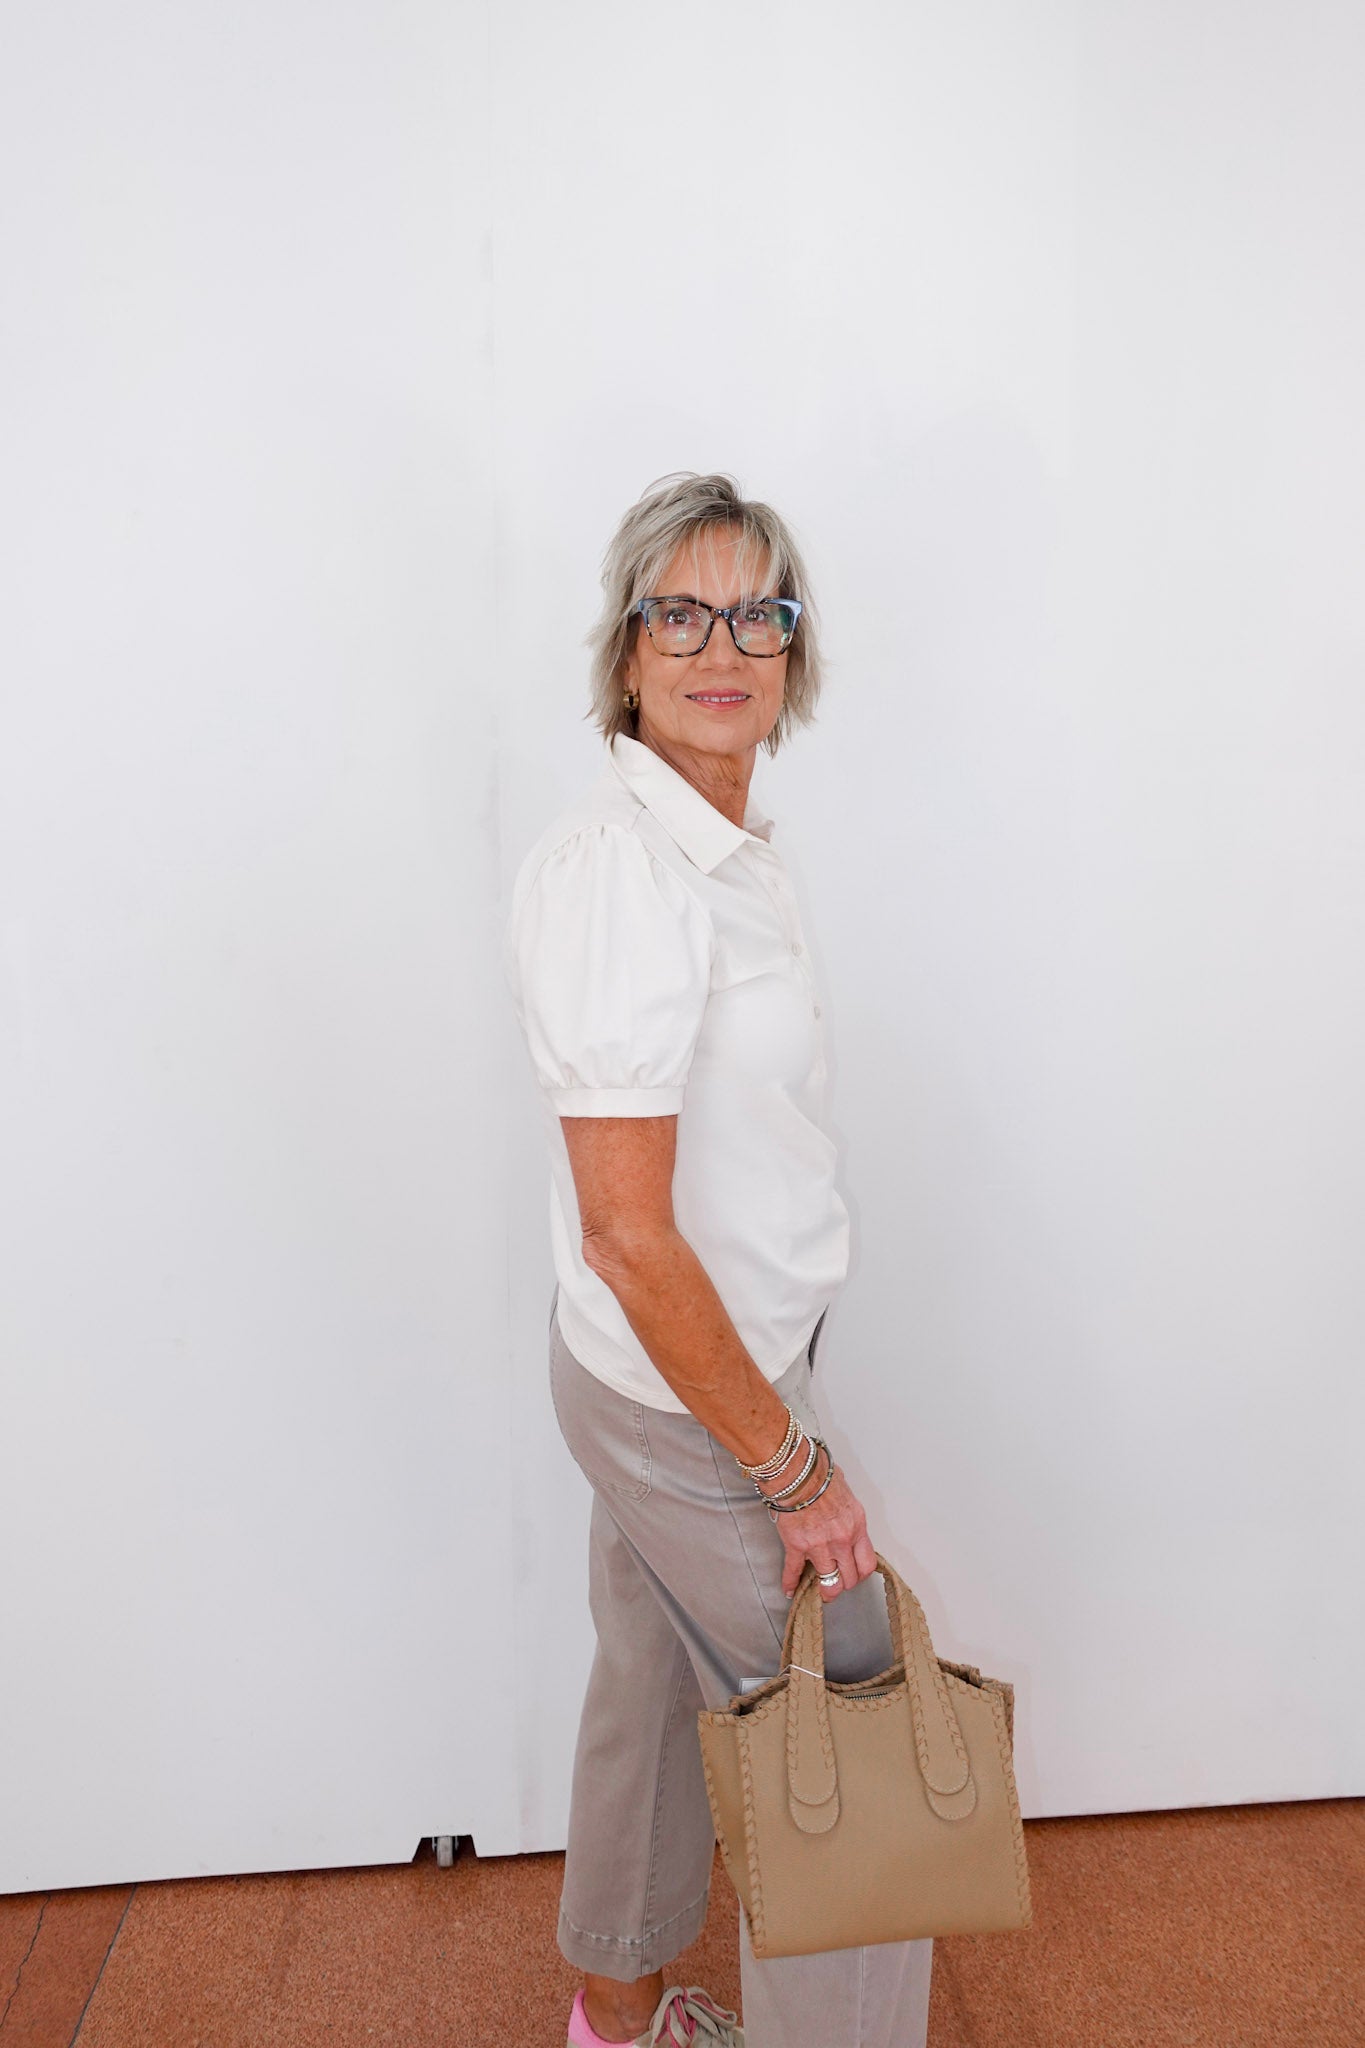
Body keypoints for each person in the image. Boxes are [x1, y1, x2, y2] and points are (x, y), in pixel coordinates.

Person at [503, 472, 933, 2048]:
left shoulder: (723, 848)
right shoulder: (627, 873)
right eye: (678, 612)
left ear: (792, 652)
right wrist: (792, 1468)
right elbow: (626, 1227)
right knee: (843, 1747)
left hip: (675, 1367)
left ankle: (614, 2016)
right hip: (692, 1394)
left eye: (756, 611)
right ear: (626, 653)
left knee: (644, 1684)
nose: (720, 643)